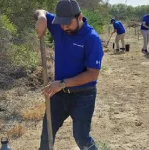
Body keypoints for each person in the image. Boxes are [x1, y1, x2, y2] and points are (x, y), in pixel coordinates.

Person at [33, 0, 103, 149]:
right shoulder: (60, 26)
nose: (64, 27)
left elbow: (92, 75)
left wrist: (62, 83)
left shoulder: (92, 38)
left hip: (83, 96)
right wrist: (42, 18)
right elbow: (40, 11)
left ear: (80, 17)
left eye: (68, 23)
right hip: (59, 94)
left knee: (81, 137)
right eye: (61, 23)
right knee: (47, 135)